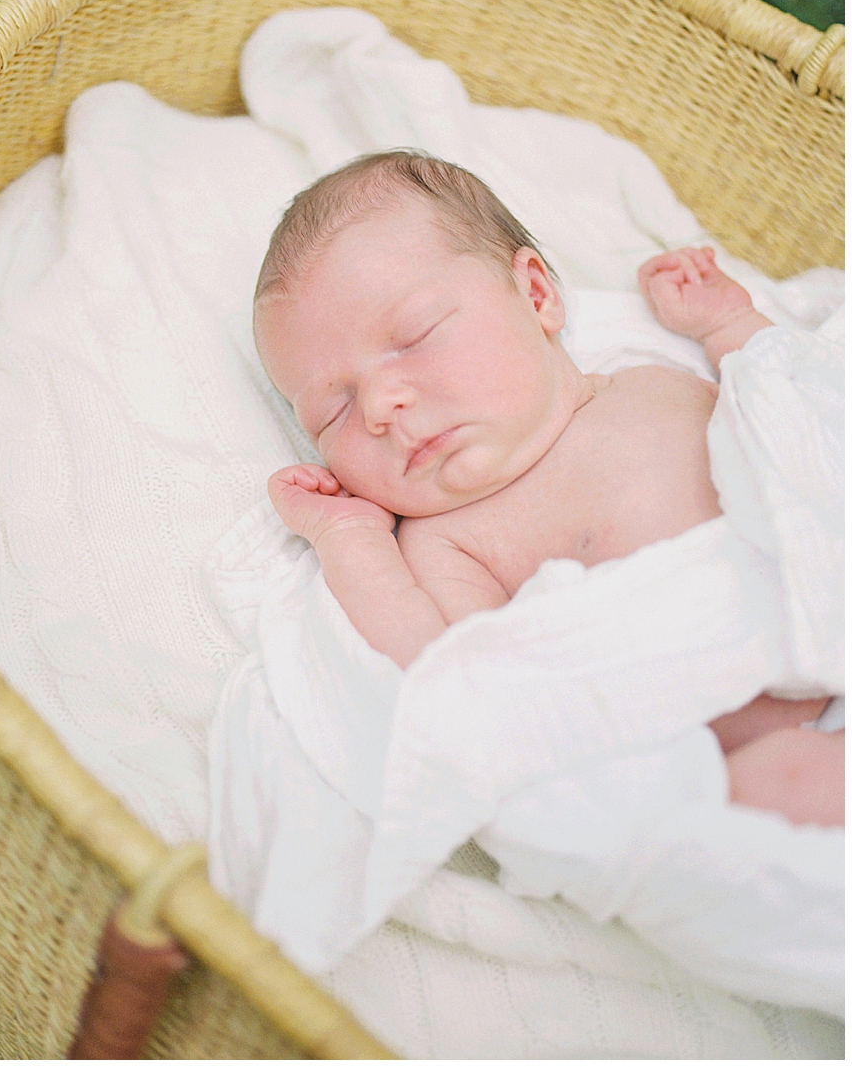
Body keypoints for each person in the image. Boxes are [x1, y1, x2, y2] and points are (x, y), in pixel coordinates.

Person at [253, 151, 843, 828]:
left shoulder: (652, 378)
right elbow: (447, 674)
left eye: (413, 336)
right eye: (334, 411)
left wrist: (727, 324)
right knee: (785, 788)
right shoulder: (447, 540)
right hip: (747, 757)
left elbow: (794, 415)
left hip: (830, 602)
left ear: (536, 296)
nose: (382, 403)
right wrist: (347, 537)